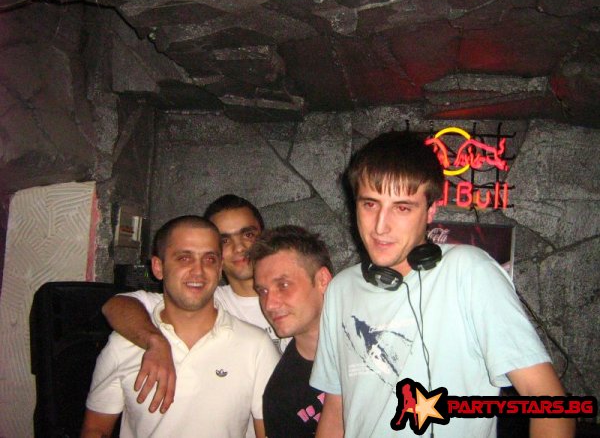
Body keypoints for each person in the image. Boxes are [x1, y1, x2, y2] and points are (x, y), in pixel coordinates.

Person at [310, 132, 574, 437]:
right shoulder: (340, 290)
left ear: (431, 210)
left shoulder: (470, 272)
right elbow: (336, 410)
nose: (380, 226)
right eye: (370, 204)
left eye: (402, 208)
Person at [81, 215, 279, 438]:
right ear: (158, 267)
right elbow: (96, 429)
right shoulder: (125, 342)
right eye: (184, 258)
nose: (198, 271)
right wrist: (155, 343)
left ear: (219, 269)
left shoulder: (255, 345)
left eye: (210, 259)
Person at [249, 225, 333, 438]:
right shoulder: (281, 394)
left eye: (283, 285)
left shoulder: (375, 344)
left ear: (322, 280)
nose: (269, 304)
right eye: (263, 291)